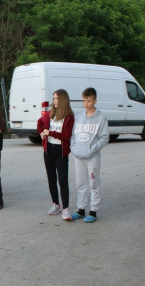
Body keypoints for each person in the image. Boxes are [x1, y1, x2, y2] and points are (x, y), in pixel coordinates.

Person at [70, 87, 109, 223]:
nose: (86, 103)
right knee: (80, 183)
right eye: (84, 100)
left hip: (92, 157)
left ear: (95, 100)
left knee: (94, 183)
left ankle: (93, 211)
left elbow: (104, 138)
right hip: (78, 156)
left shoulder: (101, 118)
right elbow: (73, 135)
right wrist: (73, 148)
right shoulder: (79, 117)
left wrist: (92, 149)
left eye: (89, 100)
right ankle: (81, 209)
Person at [37, 89, 75, 220]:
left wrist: (50, 133)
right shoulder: (49, 114)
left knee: (63, 180)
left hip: (61, 152)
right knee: (51, 179)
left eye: (57, 98)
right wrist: (42, 132)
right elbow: (39, 123)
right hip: (49, 150)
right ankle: (56, 204)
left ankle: (66, 209)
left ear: (63, 100)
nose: (55, 101)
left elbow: (66, 135)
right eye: (54, 98)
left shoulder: (69, 117)